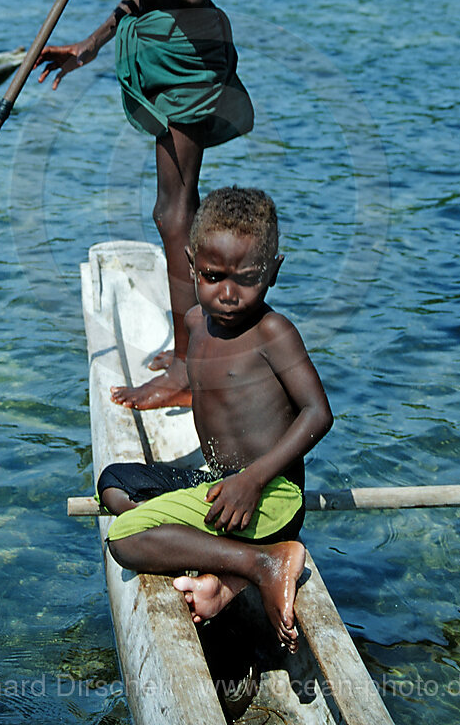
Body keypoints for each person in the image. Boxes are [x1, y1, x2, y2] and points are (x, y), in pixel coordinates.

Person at [34, 0, 253, 411]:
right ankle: (191, 348)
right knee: (171, 212)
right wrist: (92, 43)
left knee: (173, 212)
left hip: (188, 56)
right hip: (157, 45)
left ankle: (191, 371)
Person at [96, 187, 333, 652]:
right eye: (212, 276)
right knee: (114, 484)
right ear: (191, 265)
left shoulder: (273, 332)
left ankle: (263, 563)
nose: (227, 294)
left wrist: (253, 480)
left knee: (124, 539)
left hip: (270, 496)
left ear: (274, 271)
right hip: (219, 482)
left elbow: (318, 413)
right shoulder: (194, 322)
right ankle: (229, 559)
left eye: (246, 279)